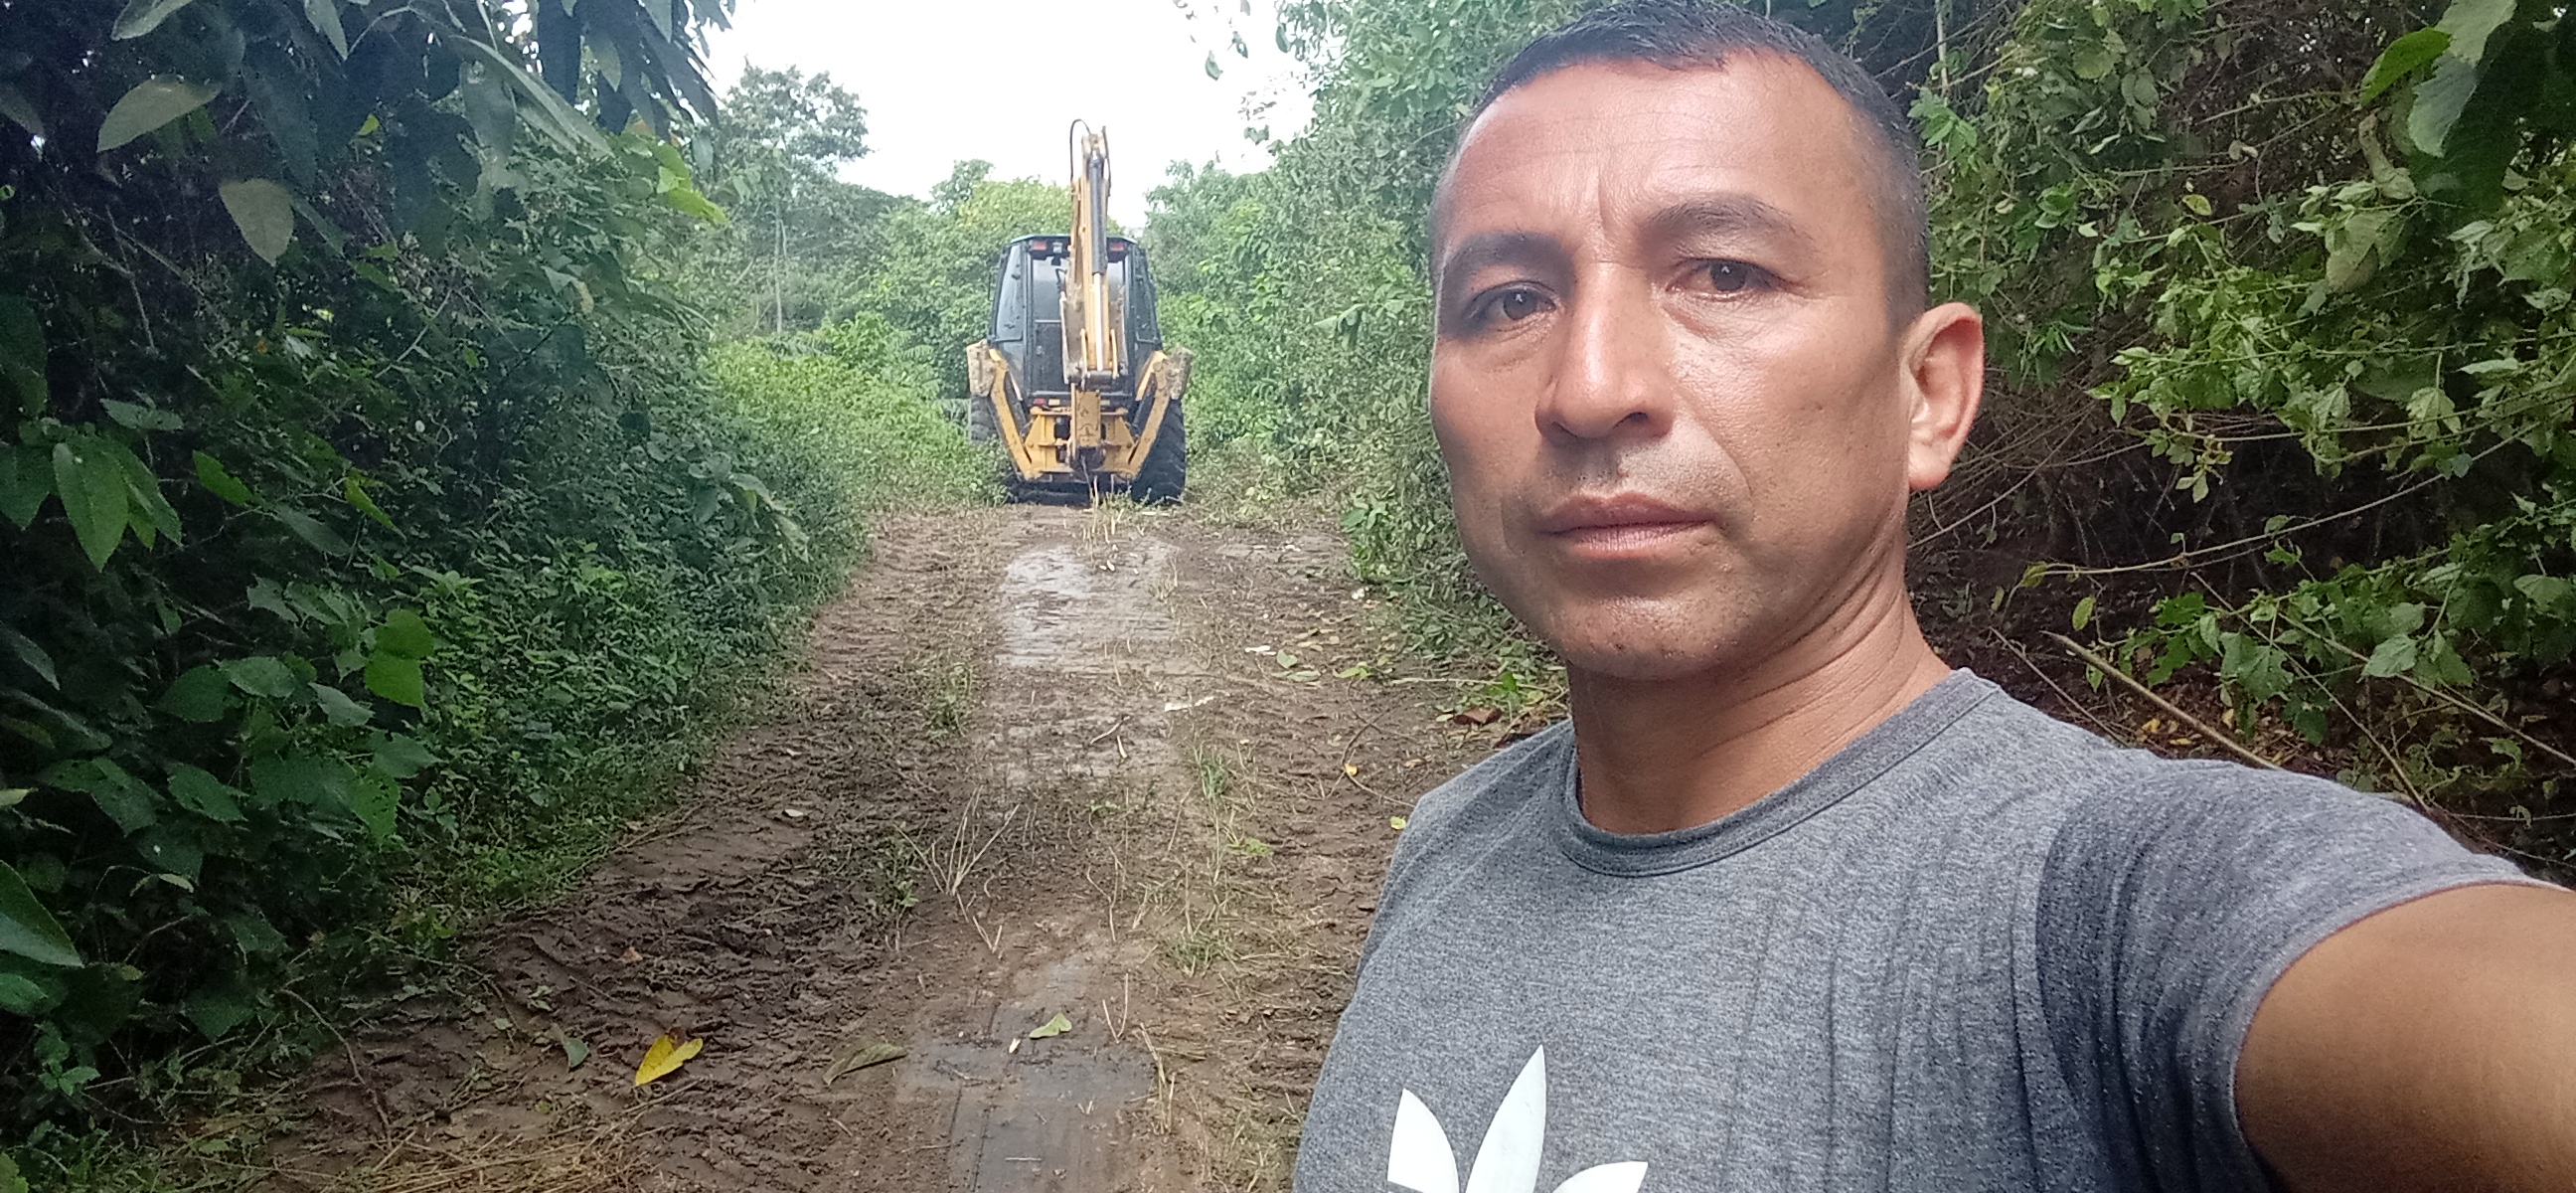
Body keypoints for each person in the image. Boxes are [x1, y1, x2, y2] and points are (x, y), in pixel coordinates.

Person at [1289, 3, 2576, 1191]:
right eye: (1509, 300)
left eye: (1725, 273)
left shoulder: (2108, 915)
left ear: (1930, 393)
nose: (1588, 386)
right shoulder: (1451, 843)